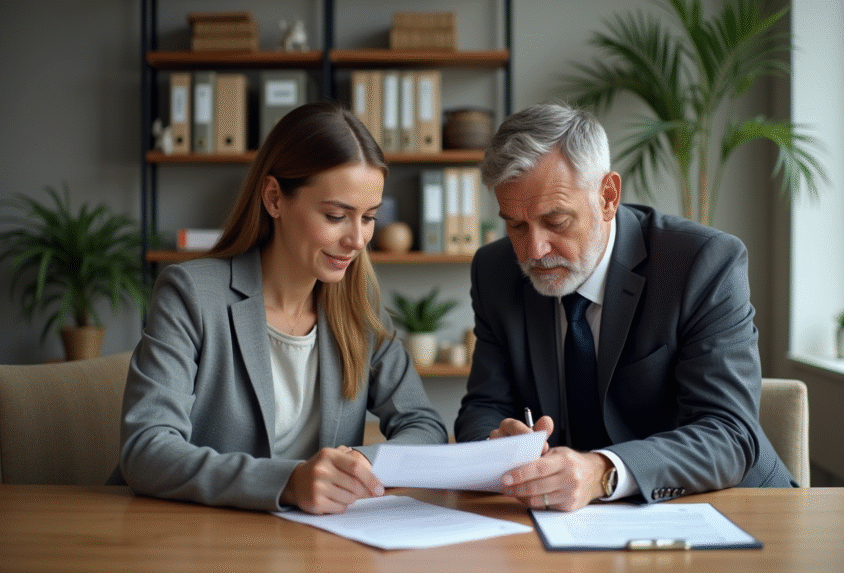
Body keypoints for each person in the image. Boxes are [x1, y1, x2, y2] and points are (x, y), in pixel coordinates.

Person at [454, 102, 796, 512]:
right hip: (569, 523)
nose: (535, 250)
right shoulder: (495, 272)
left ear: (608, 197)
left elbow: (730, 433)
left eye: (557, 221)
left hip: (731, 509)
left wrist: (603, 471)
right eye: (516, 224)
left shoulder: (702, 263)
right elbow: (482, 408)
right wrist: (497, 446)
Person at [115, 102, 447, 515]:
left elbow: (426, 427)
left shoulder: (357, 311)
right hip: (201, 538)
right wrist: (287, 482)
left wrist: (357, 467)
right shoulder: (191, 295)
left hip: (315, 545)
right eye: (336, 216)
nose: (358, 240)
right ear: (274, 198)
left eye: (368, 218)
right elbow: (147, 450)